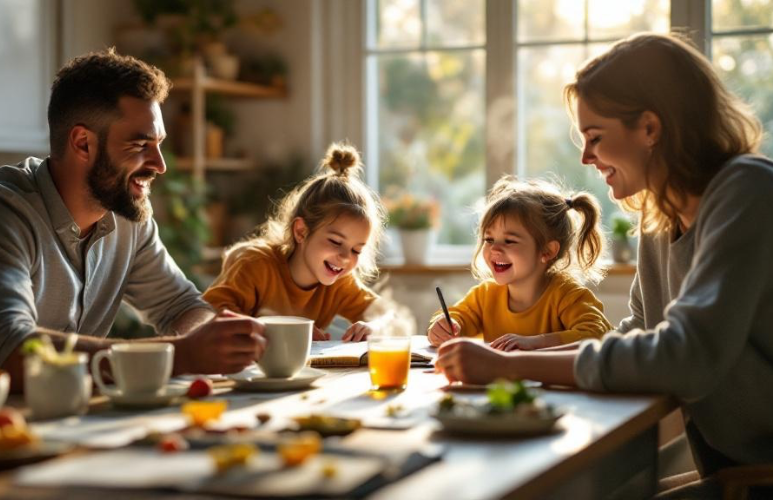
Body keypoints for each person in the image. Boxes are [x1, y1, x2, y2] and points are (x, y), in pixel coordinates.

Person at [435, 32, 773, 486]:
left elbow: (685, 356)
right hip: (732, 470)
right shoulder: (661, 217)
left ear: (650, 128)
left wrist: (509, 366)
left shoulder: (747, 192)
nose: (585, 155)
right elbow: (641, 330)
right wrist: (514, 354)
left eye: (595, 136)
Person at [0, 49, 265, 391]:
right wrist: (180, 355)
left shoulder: (127, 217)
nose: (160, 165)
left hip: (63, 422)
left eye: (159, 143)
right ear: (83, 144)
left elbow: (182, 307)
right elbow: (10, 350)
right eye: (140, 145)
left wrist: (216, 339)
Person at [203, 142, 393, 342]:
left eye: (356, 250)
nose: (346, 258)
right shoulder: (255, 265)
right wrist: (282, 331)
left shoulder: (340, 282)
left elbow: (387, 315)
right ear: (301, 231)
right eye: (336, 242)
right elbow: (210, 314)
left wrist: (374, 326)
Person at [427, 176, 612, 351]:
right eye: (489, 239)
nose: (495, 250)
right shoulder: (485, 296)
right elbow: (458, 316)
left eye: (509, 241)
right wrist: (443, 326)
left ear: (547, 251)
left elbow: (597, 335)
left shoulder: (567, 296)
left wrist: (535, 343)